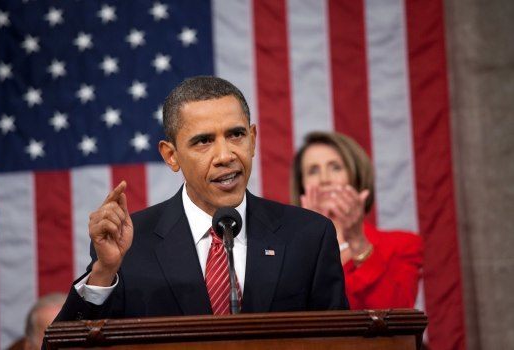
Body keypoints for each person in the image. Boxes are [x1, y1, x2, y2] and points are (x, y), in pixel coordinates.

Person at [54, 76, 348, 322]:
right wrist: (104, 272)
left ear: (253, 139)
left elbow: (342, 344)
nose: (225, 156)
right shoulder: (129, 246)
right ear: (171, 156)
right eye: (204, 141)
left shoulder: (309, 236)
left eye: (236, 135)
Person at [291, 131, 423, 310]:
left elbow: (397, 318)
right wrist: (309, 240)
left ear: (356, 177)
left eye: (335, 167)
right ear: (302, 186)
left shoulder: (402, 245)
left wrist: (357, 242)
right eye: (313, 170)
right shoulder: (285, 251)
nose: (324, 179)